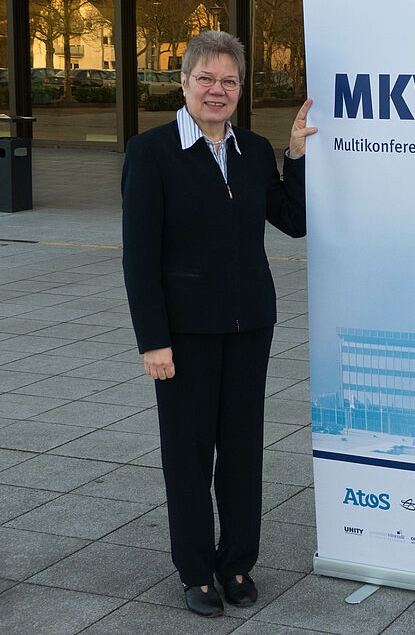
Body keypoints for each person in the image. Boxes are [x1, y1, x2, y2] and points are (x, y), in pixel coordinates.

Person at [122, 30, 317, 618]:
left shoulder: (253, 151)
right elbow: (139, 257)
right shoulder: (151, 152)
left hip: (249, 325)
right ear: (182, 83)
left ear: (239, 90)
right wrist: (152, 340)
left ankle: (237, 563)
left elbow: (294, 221)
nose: (217, 90)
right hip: (182, 335)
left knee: (241, 452)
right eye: (205, 78)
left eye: (228, 80)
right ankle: (196, 569)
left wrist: (296, 157)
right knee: (187, 454)